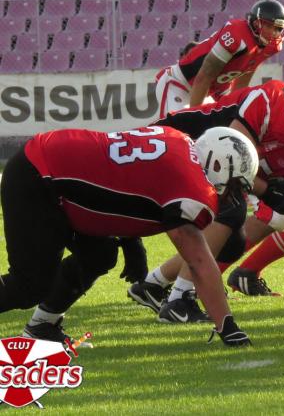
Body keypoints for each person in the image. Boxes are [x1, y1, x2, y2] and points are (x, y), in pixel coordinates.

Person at [1, 125, 258, 348]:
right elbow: (198, 262)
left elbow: (125, 176)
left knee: (99, 255)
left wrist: (131, 240)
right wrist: (227, 325)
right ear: (216, 163)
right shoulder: (191, 187)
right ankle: (40, 324)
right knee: (29, 284)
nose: (233, 196)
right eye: (234, 185)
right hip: (40, 175)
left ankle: (42, 327)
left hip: (56, 171)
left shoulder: (178, 141)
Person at [128, 78, 284, 317]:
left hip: (215, 163)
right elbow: (230, 160)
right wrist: (268, 191)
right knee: (231, 211)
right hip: (178, 142)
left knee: (242, 234)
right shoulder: (274, 104)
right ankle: (180, 300)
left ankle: (153, 285)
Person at [154, 0, 284, 118]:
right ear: (256, 24)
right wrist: (195, 117)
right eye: (269, 26)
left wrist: (235, 111)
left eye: (278, 29)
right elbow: (205, 75)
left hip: (205, 92)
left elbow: (242, 81)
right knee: (179, 131)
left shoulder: (271, 47)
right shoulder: (237, 34)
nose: (274, 33)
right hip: (179, 84)